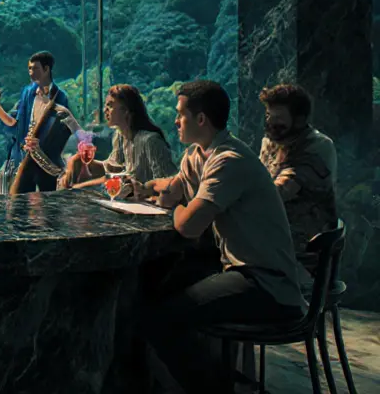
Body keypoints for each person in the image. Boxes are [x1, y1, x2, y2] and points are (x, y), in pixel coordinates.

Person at [132, 80, 305, 394]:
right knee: (153, 291)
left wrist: (174, 206)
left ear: (201, 119)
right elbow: (173, 186)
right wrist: (146, 188)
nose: (175, 121)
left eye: (180, 115)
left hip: (266, 284)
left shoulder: (229, 160)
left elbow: (189, 225)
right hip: (239, 272)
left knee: (161, 320)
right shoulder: (199, 154)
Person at [258, 83, 338, 282]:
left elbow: (280, 191)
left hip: (302, 254)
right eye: (268, 116)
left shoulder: (318, 147)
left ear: (299, 119)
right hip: (273, 236)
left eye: (278, 118)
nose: (270, 123)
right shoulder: (270, 143)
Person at [58, 84, 174, 190]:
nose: (105, 110)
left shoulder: (150, 141)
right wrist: (78, 160)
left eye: (110, 105)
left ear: (126, 110)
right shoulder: (120, 136)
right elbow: (111, 168)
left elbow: (169, 184)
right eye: (105, 105)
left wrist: (76, 188)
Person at [0, 51, 72, 194]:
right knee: (19, 200)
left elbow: (62, 132)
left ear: (46, 69)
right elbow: (16, 123)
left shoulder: (60, 97)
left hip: (47, 161)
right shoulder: (28, 92)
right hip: (25, 156)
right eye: (29, 68)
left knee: (48, 201)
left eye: (35, 68)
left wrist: (41, 145)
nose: (31, 72)